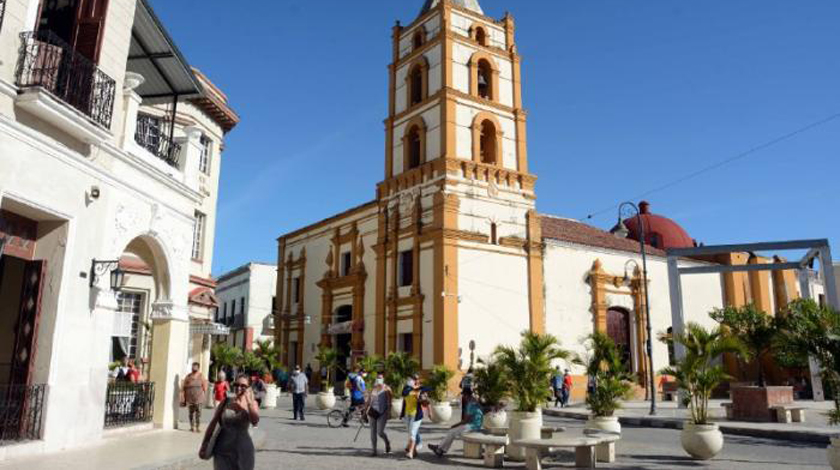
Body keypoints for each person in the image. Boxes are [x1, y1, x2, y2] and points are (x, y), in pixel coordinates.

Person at [200, 374, 260, 470]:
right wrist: (205, 443)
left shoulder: (252, 403)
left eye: (243, 386)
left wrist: (248, 401)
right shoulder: (226, 402)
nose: (239, 388)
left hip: (243, 450)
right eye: (236, 385)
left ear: (249, 388)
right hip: (222, 449)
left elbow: (255, 421)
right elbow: (213, 423)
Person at [429, 393, 484, 457]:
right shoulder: (477, 404)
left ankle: (439, 449)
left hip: (471, 427)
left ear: (466, 396)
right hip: (477, 426)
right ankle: (440, 449)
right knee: (452, 432)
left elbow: (466, 421)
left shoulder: (470, 405)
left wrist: (454, 425)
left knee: (452, 431)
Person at [401, 374, 430, 459]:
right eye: (413, 379)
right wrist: (413, 388)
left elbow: (427, 398)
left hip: (416, 415)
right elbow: (404, 393)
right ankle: (413, 450)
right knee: (410, 433)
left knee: (412, 433)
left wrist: (418, 396)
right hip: (407, 414)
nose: (414, 380)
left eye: (415, 379)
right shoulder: (406, 388)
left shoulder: (421, 390)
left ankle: (410, 452)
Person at [367, 373, 392, 456]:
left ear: (383, 379)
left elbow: (389, 402)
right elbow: (369, 400)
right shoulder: (373, 388)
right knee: (372, 431)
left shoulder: (387, 389)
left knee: (380, 432)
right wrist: (364, 412)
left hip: (382, 412)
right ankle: (374, 451)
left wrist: (389, 413)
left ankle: (387, 442)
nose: (378, 379)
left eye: (380, 378)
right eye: (377, 378)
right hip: (373, 412)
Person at [182, 362, 208, 432]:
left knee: (198, 413)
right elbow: (184, 387)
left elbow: (205, 387)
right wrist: (184, 398)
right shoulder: (188, 376)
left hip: (199, 398)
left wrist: (204, 396)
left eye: (195, 367)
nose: (194, 368)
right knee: (191, 413)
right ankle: (192, 427)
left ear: (198, 368)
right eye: (193, 367)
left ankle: (197, 427)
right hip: (190, 398)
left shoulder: (201, 376)